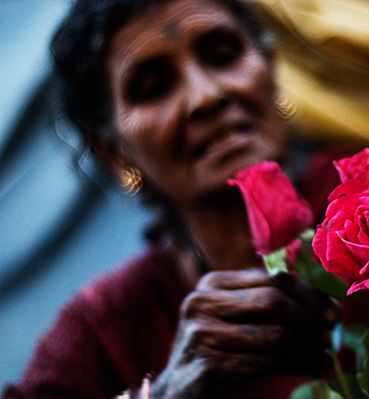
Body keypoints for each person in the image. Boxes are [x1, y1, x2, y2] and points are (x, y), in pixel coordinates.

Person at [2, 0, 347, 398]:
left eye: (223, 55)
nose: (206, 97)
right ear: (111, 150)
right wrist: (167, 391)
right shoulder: (109, 327)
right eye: (153, 88)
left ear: (269, 69)